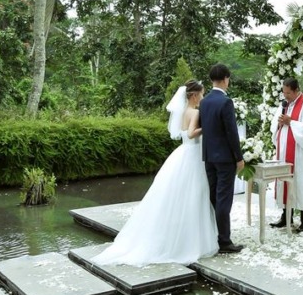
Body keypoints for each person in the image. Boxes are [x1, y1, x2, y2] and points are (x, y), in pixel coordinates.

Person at [90, 80, 219, 266]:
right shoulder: (196, 112)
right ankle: (189, 240)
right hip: (192, 156)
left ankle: (179, 234)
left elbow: (182, 133)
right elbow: (191, 134)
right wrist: (207, 128)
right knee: (193, 195)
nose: (203, 98)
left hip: (183, 153)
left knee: (182, 196)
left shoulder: (184, 112)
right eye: (201, 94)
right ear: (193, 95)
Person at [200, 63, 246, 253]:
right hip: (225, 158)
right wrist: (239, 157)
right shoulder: (225, 102)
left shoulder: (204, 101)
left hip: (209, 157)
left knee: (214, 197)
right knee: (224, 199)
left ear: (212, 80)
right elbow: (231, 133)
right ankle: (224, 241)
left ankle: (214, 235)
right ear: (226, 79)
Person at [270, 77, 303, 233]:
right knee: (285, 183)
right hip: (284, 153)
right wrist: (278, 123)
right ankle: (286, 217)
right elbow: (274, 124)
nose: (286, 96)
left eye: (289, 93)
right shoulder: (284, 105)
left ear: (297, 90)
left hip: (300, 155)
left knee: (302, 183)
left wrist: (291, 122)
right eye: (284, 93)